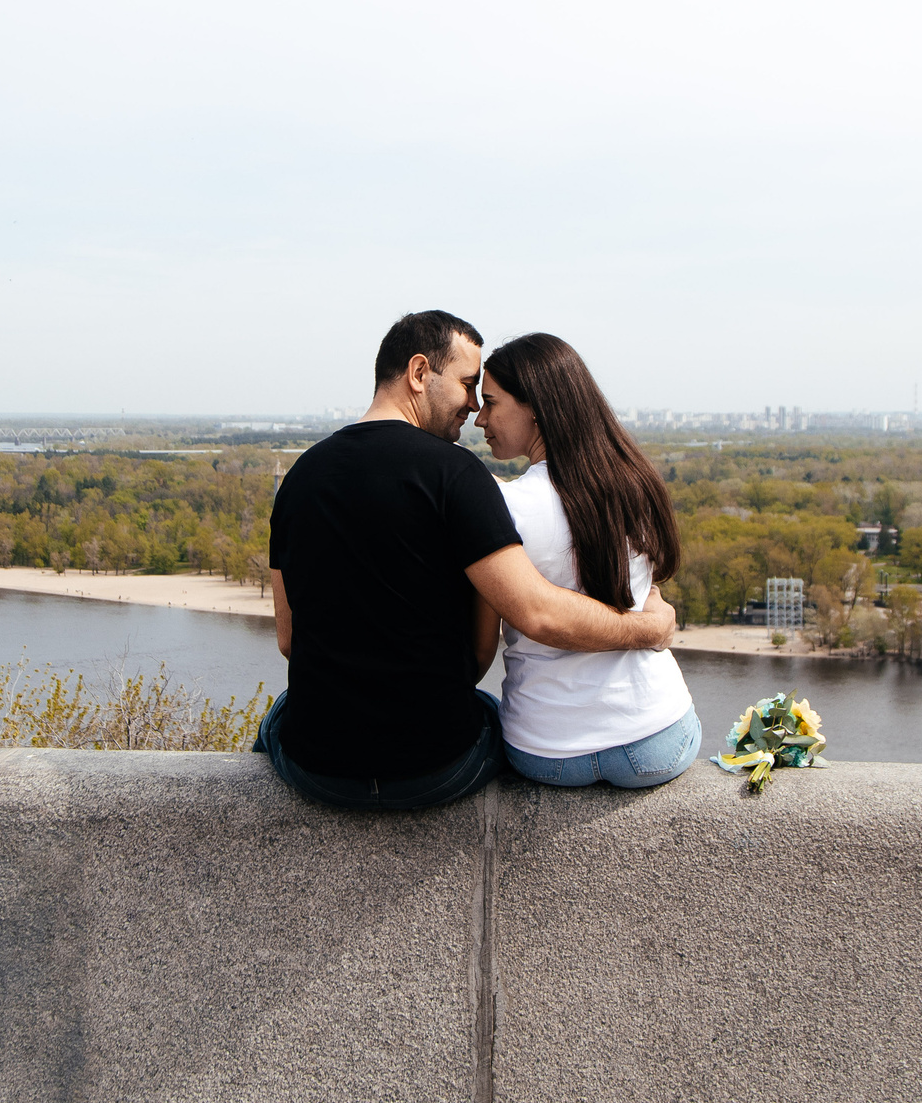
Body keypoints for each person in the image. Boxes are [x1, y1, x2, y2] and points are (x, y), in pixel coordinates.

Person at [257, 310, 678, 810]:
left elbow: (289, 640)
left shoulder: (299, 478)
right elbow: (498, 642)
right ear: (418, 373)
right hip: (437, 769)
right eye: (467, 384)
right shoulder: (458, 475)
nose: (473, 407)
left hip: (316, 770)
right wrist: (647, 629)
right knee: (485, 709)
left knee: (283, 714)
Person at [475, 332, 700, 788]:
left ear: (535, 405)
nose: (480, 419)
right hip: (658, 738)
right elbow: (646, 587)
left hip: (547, 749)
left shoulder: (503, 507)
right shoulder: (635, 481)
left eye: (491, 402)